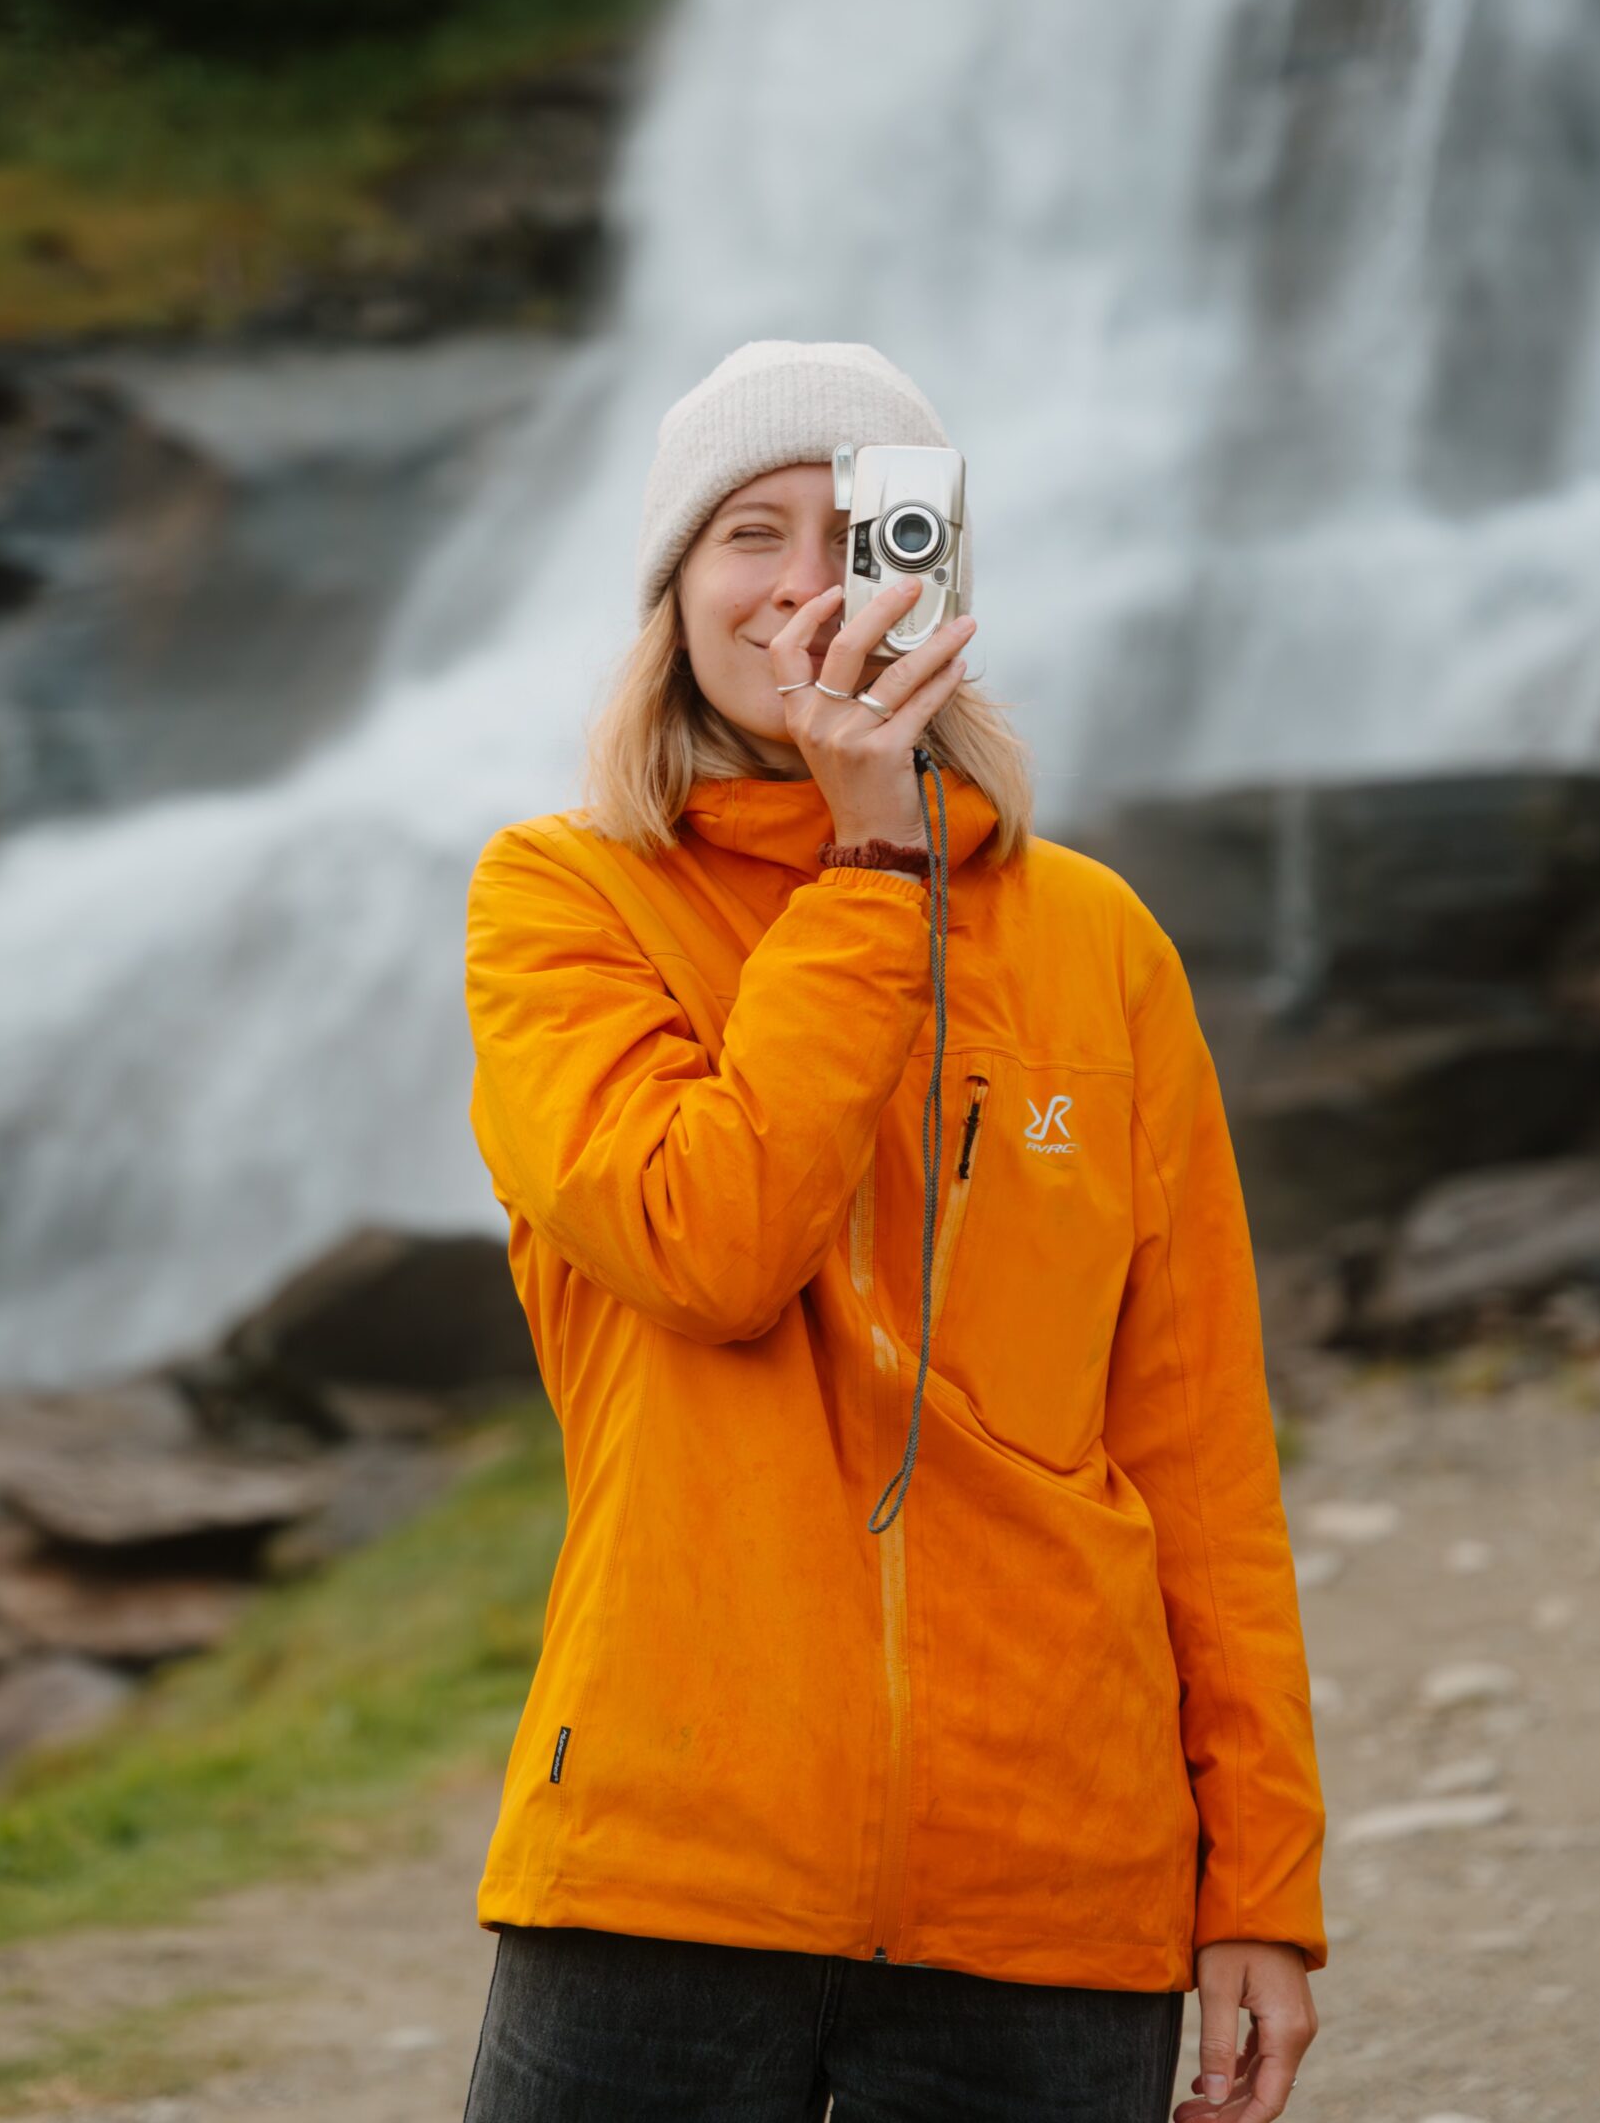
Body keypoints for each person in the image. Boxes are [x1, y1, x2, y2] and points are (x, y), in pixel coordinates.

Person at [459, 340, 1326, 2123]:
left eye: (864, 535)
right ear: (673, 593)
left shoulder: (1096, 942)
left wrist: (1258, 1882)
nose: (805, 585)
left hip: (1055, 1879)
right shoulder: (560, 898)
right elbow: (706, 1245)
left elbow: (1198, 1452)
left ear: (933, 579)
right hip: (668, 1860)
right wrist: (873, 872)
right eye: (749, 534)